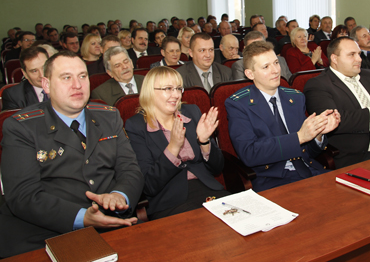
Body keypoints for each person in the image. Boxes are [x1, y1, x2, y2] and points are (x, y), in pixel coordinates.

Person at [0, 51, 144, 257]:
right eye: (66, 77)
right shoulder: (22, 127)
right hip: (44, 233)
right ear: (47, 85)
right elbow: (23, 195)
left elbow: (130, 169)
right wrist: (82, 217)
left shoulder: (109, 116)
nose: (77, 85)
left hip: (111, 223)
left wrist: (119, 196)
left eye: (82, 76)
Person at [225, 41, 340, 192]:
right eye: (266, 67)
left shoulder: (296, 98)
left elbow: (309, 152)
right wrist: (299, 137)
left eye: (276, 63)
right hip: (271, 179)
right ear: (250, 74)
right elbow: (249, 154)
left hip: (308, 171)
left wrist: (318, 133)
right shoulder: (239, 104)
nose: (275, 71)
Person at [124, 67, 229, 219]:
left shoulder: (191, 112)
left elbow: (217, 168)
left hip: (208, 189)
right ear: (150, 92)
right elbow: (149, 185)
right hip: (170, 200)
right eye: (168, 89)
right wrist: (173, 147)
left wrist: (204, 141)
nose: (176, 95)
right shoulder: (136, 126)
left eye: (179, 89)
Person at [304, 37, 370, 168]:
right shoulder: (318, 85)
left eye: (359, 54)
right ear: (334, 58)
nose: (359, 59)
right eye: (352, 55)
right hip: (360, 154)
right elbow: (332, 119)